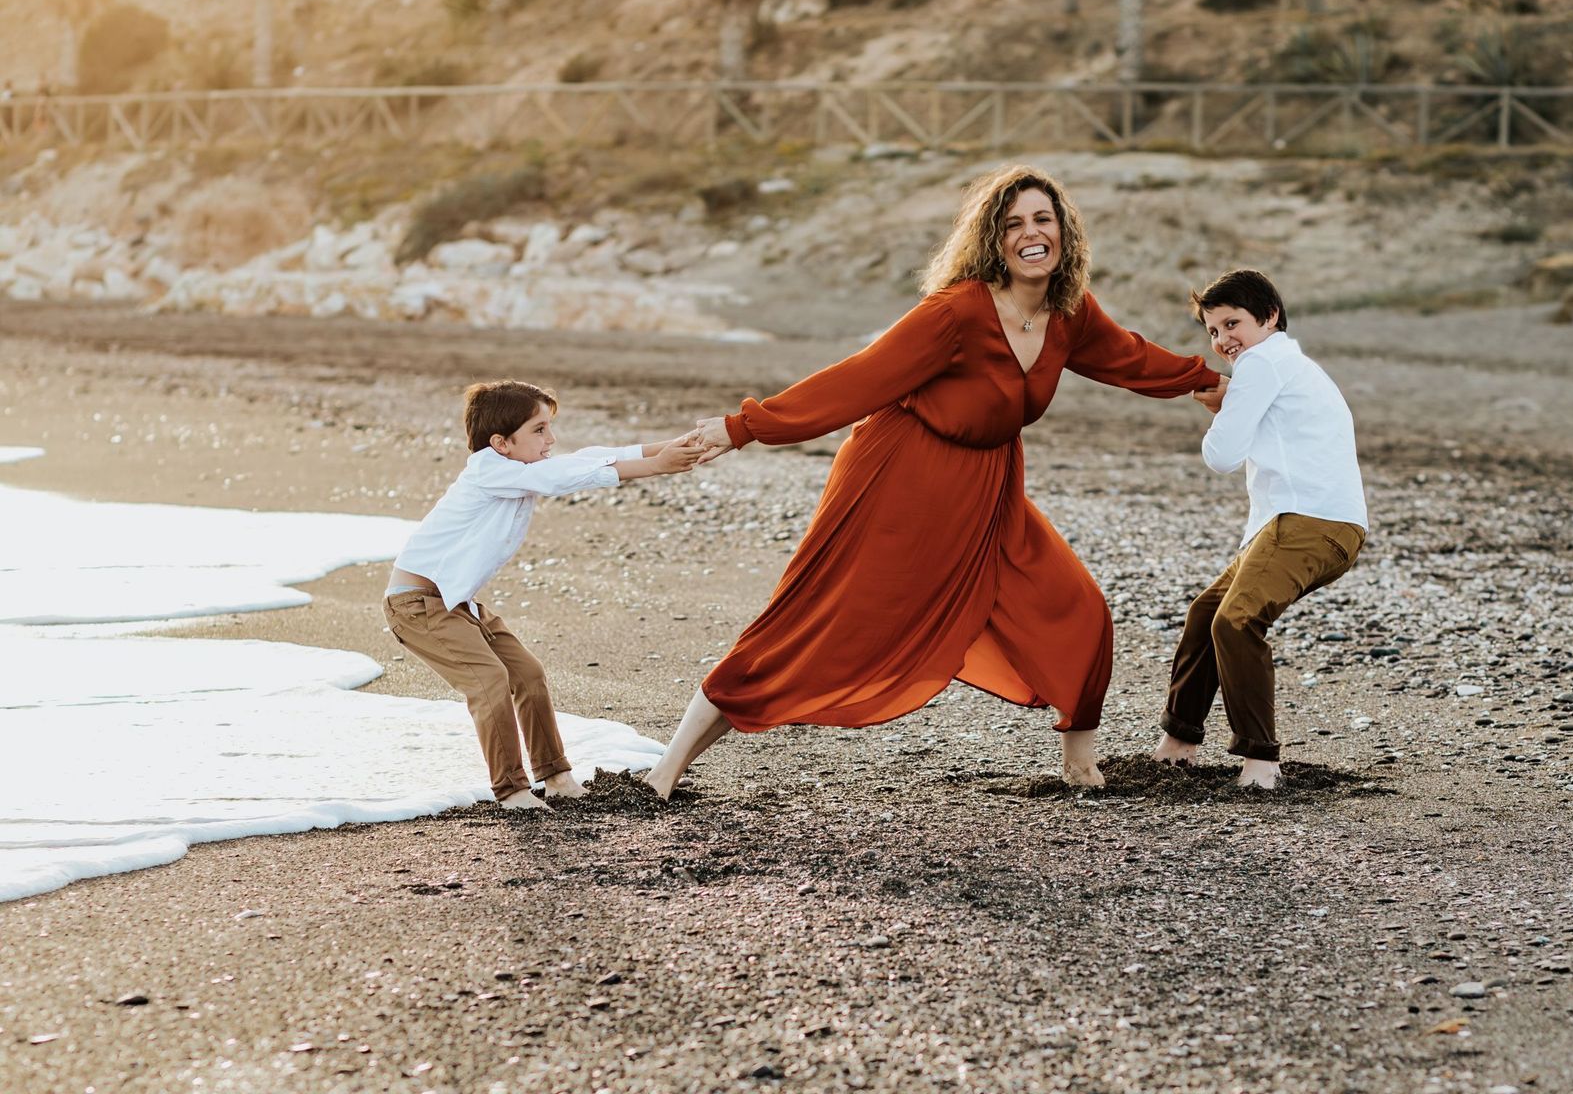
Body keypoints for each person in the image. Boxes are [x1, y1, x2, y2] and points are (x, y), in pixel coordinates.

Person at [644, 165, 1222, 799]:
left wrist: (1210, 381)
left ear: (1065, 232)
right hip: (900, 479)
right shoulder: (956, 312)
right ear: (992, 240)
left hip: (990, 488)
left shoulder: (1068, 313)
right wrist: (743, 427)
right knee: (820, 622)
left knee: (1075, 607)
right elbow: (860, 378)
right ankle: (666, 770)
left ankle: (1080, 766)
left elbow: (1130, 357)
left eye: (1043, 220)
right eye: (1013, 224)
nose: (1031, 234)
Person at [385, 379, 702, 809]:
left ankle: (556, 777)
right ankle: (512, 791)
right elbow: (558, 477)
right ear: (500, 443)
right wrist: (655, 466)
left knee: (528, 675)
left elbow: (585, 458)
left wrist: (670, 447)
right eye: (538, 429)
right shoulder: (487, 470)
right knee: (489, 681)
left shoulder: (518, 471)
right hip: (416, 604)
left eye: (549, 427)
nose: (550, 438)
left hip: (458, 602)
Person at [1150, 269, 1368, 789]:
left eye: (1233, 323)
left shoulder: (1262, 361)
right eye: (1212, 331)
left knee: (1236, 621)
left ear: (1269, 317)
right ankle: (1178, 743)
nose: (1223, 340)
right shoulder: (1288, 364)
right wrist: (1235, 399)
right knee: (1206, 614)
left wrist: (1225, 407)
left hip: (1309, 520)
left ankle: (1261, 761)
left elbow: (1221, 456)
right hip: (1308, 523)